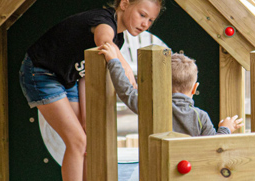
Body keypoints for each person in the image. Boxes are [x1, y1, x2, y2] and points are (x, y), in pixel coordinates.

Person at [18, 0, 163, 181]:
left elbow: (86, 72)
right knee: (77, 141)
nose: (145, 24)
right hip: (41, 73)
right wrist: (123, 62)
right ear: (124, 4)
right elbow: (104, 41)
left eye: (151, 20)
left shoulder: (120, 39)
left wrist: (86, 117)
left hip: (69, 79)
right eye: (142, 15)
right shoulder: (104, 21)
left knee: (86, 136)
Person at [97, 45, 243, 136]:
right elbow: (213, 147)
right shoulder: (200, 117)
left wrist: (113, 61)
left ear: (160, 85)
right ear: (194, 88)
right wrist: (225, 129)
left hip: (156, 171)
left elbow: (125, 91)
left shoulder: (152, 107)